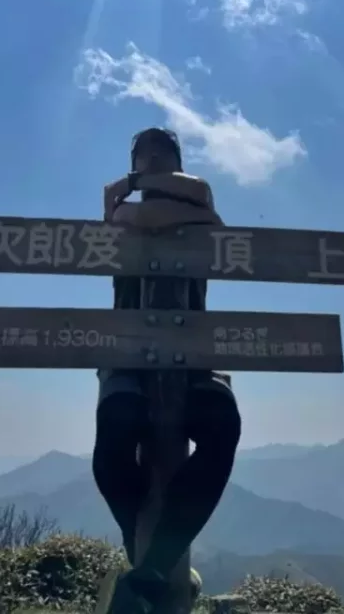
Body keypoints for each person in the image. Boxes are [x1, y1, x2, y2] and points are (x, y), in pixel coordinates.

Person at [92, 127, 242, 614]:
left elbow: (184, 201)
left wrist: (137, 199)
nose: (154, 159)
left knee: (222, 425)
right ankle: (146, 558)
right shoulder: (131, 212)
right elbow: (135, 217)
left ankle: (150, 567)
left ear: (179, 163)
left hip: (197, 352)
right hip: (127, 350)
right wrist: (134, 208)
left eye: (164, 154)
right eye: (143, 154)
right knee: (117, 425)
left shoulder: (197, 203)